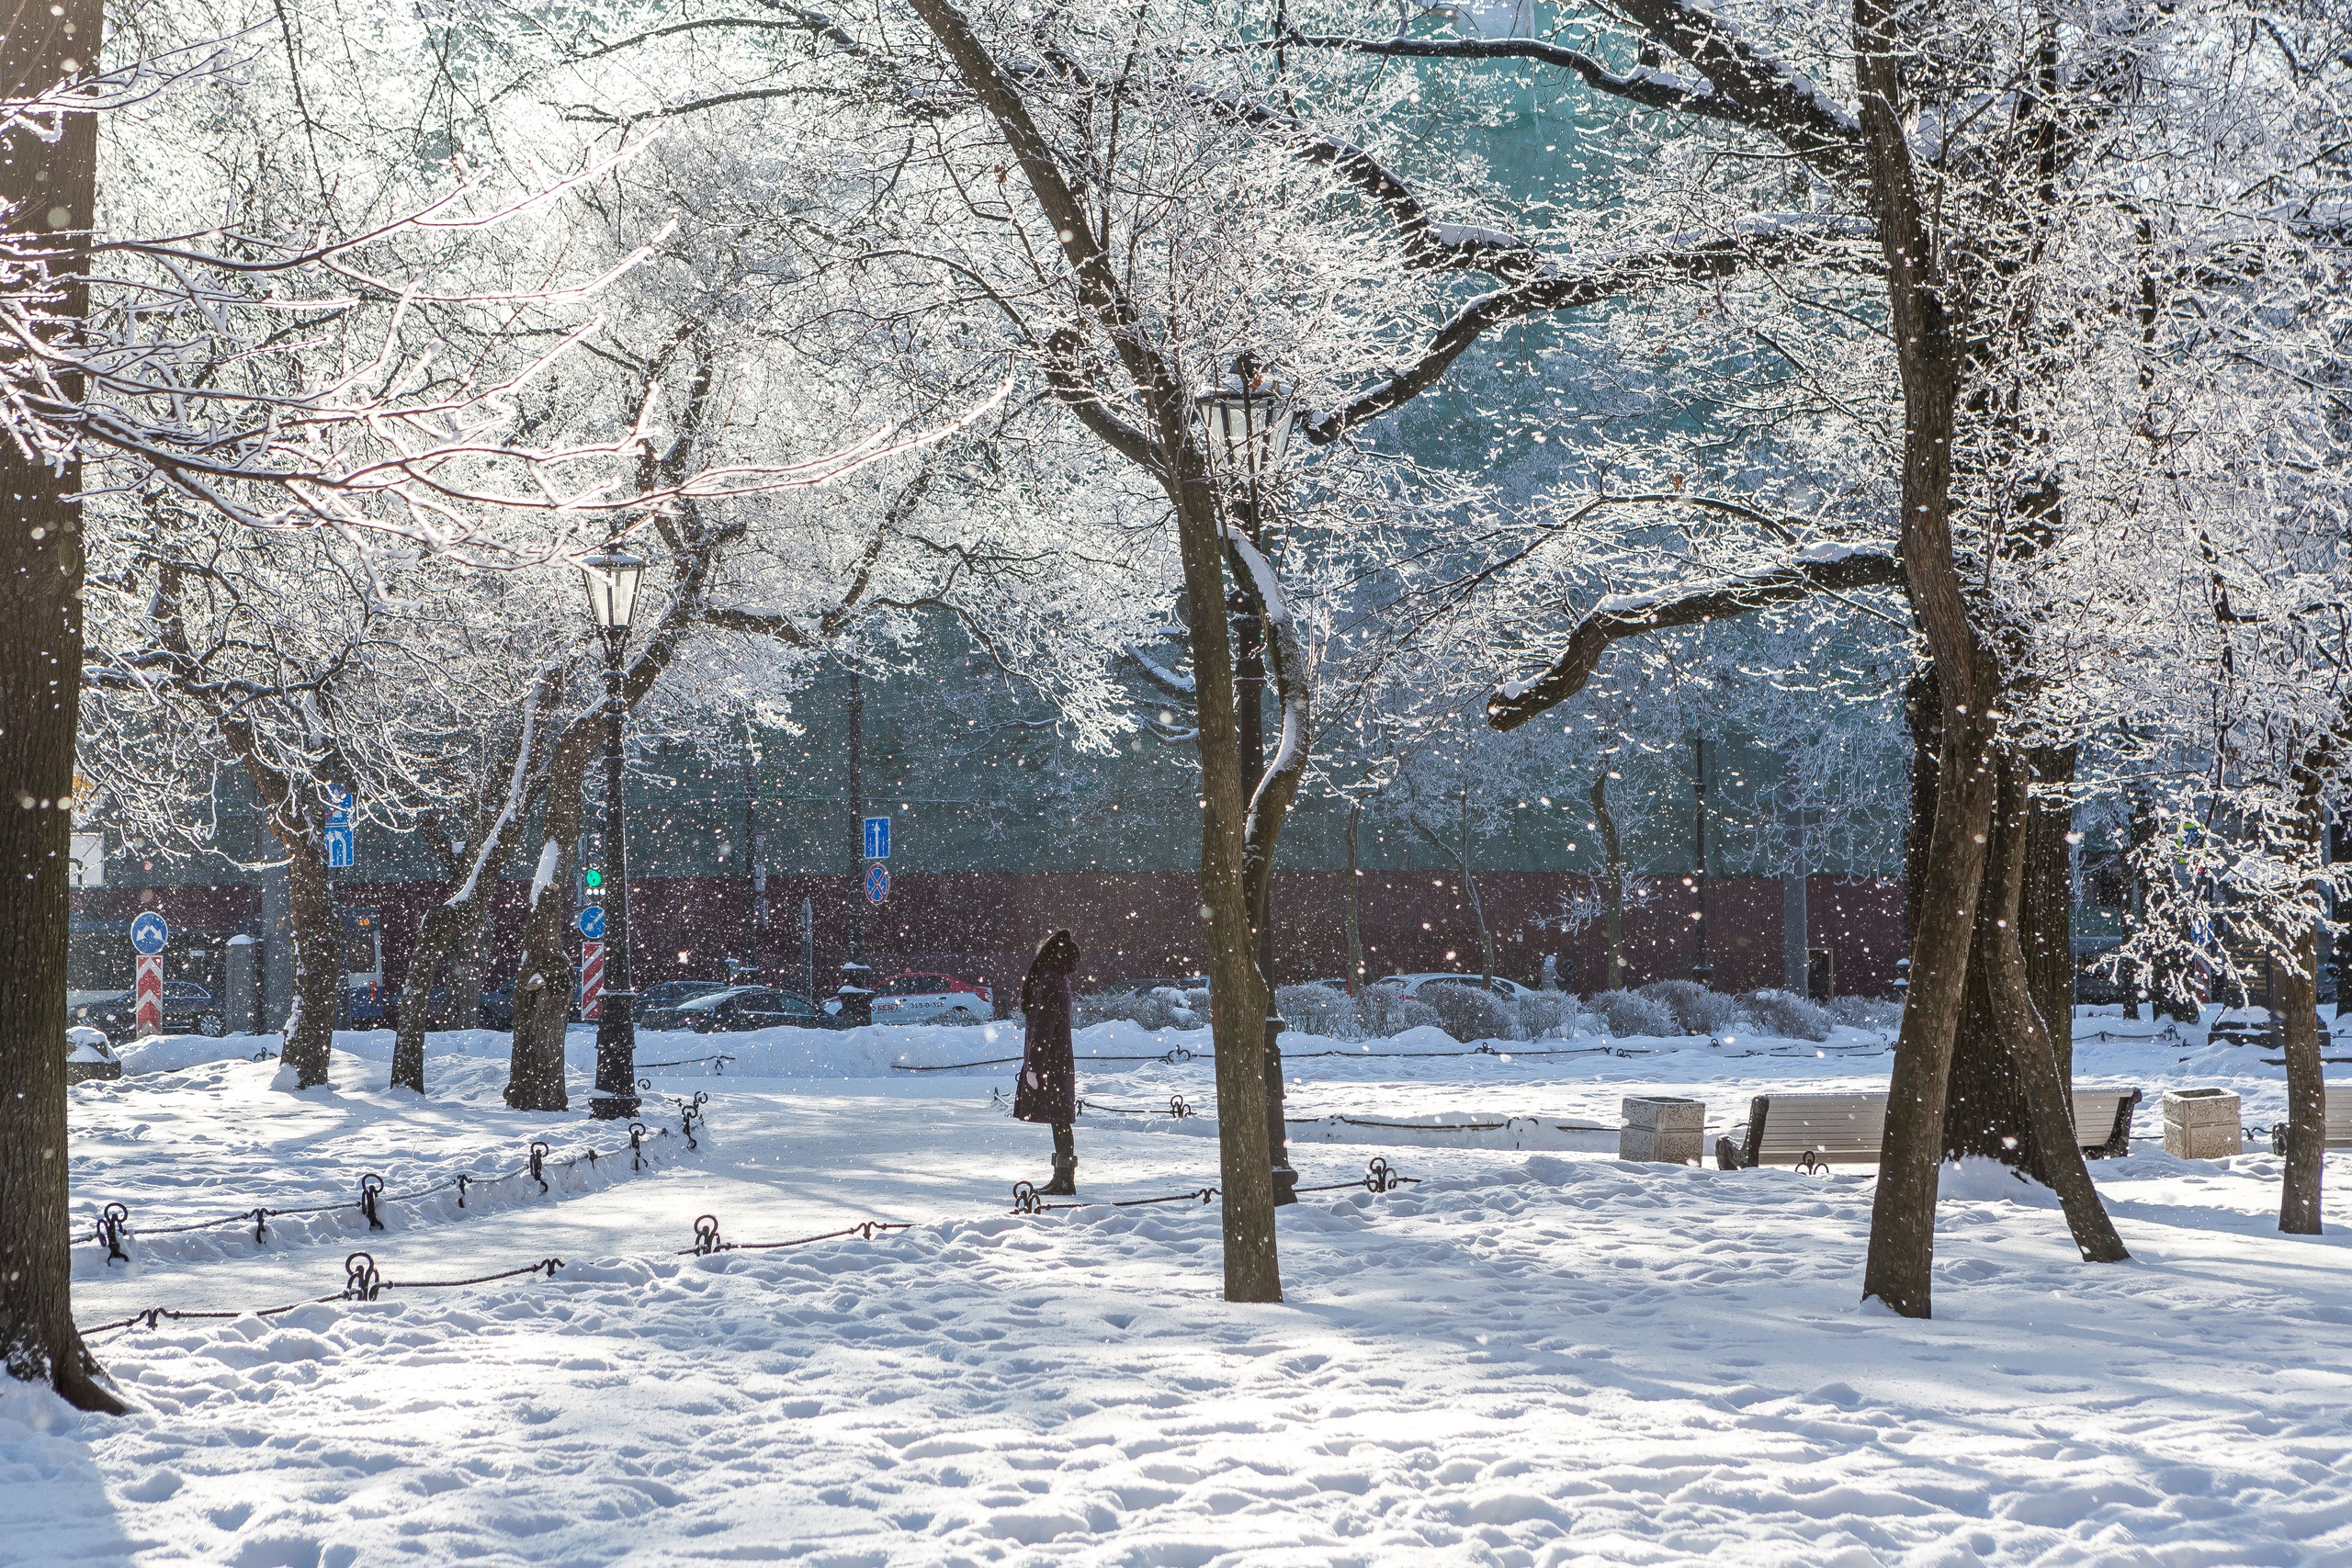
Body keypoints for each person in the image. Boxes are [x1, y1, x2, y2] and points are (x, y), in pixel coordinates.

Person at [1014, 929, 1080, 1194]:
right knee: (1059, 1119)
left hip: (1051, 1064)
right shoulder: (1057, 978)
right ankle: (1063, 1177)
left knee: (1059, 1119)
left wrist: (1034, 1065)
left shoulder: (1050, 979)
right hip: (1058, 1062)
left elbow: (1044, 1026)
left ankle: (1064, 1179)